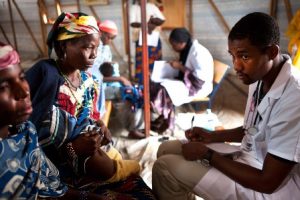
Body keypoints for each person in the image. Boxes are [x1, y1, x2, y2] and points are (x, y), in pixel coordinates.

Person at [152, 12, 300, 200]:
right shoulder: (259, 77)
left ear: (271, 52)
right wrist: (212, 135)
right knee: (166, 148)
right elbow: (253, 129)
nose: (236, 66)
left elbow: (268, 182)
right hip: (252, 159)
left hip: (274, 187)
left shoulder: (295, 97)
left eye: (244, 56)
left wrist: (208, 154)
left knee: (164, 168)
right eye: (233, 56)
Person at [25, 12, 155, 199]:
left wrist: (100, 124)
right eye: (88, 47)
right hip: (54, 161)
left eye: (97, 48)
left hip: (84, 151)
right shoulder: (48, 74)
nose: (94, 54)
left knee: (106, 158)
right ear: (64, 46)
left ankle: (115, 166)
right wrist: (72, 149)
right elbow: (30, 128)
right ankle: (116, 169)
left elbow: (89, 115)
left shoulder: (89, 81)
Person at [0, 43, 105, 199]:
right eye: (3, 86)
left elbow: (52, 187)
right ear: (63, 48)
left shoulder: (26, 131)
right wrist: (72, 149)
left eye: (22, 77)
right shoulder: (49, 77)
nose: (24, 91)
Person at [150, 27, 214, 134]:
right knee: (159, 84)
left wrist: (180, 67)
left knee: (165, 90)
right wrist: (178, 66)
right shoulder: (187, 49)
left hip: (198, 87)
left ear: (181, 43)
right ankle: (163, 116)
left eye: (174, 45)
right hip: (188, 82)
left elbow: (199, 80)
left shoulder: (198, 53)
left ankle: (167, 122)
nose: (172, 47)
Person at [130, 0, 165, 84]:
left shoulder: (151, 6)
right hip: (141, 38)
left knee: (156, 61)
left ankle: (156, 82)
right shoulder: (134, 8)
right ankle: (143, 84)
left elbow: (162, 19)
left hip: (154, 37)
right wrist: (145, 25)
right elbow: (132, 23)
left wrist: (153, 21)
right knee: (142, 62)